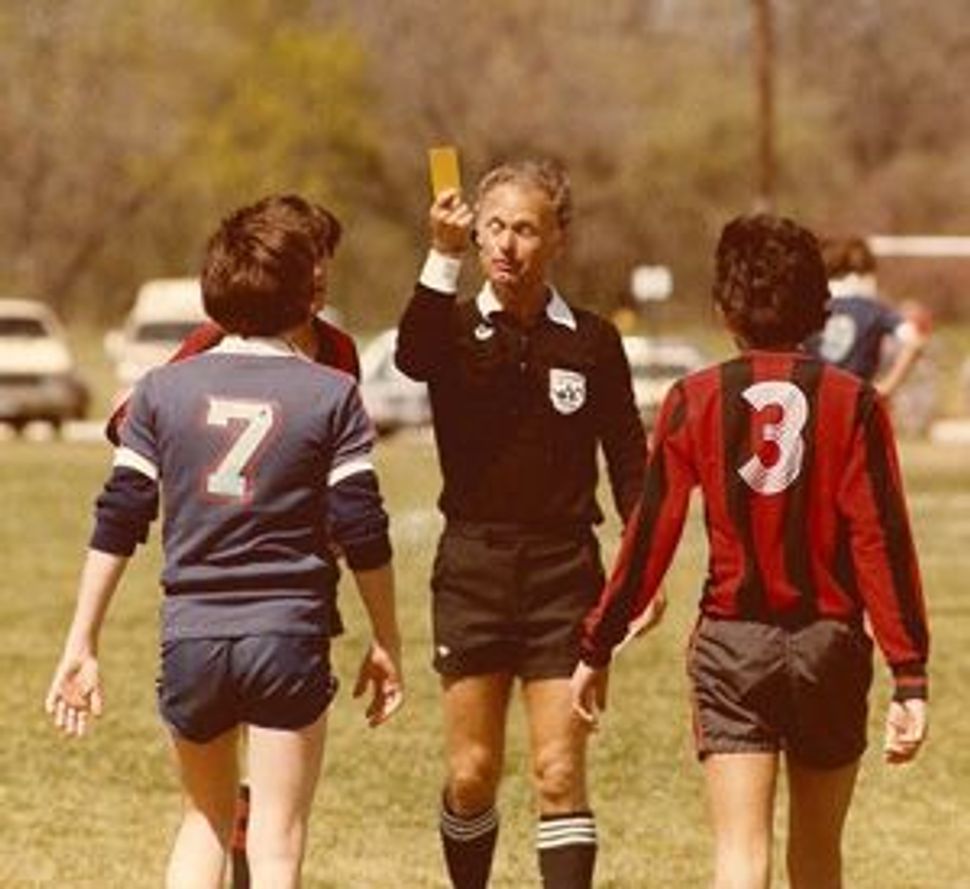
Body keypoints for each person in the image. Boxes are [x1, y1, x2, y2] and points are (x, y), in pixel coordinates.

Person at [46, 198, 404, 888]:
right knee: (275, 841)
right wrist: (386, 636)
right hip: (287, 631)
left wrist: (81, 640)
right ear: (309, 293)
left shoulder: (161, 388)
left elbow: (120, 515)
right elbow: (362, 525)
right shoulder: (331, 392)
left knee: (203, 823)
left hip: (192, 634)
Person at [572, 214, 930, 889]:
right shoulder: (854, 403)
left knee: (739, 858)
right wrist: (909, 671)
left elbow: (651, 533)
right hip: (830, 641)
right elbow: (881, 539)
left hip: (734, 642)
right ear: (820, 310)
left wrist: (597, 642)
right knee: (820, 856)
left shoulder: (694, 397)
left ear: (722, 306)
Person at [396, 158, 651, 889]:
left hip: (564, 573)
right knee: (472, 772)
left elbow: (629, 458)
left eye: (526, 229)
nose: (508, 244)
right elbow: (412, 356)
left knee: (558, 769)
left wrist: (642, 558)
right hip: (473, 566)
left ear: (558, 239)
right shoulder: (447, 326)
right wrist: (440, 256)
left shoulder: (593, 341)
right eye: (495, 227)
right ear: (475, 234)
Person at [105, 193, 359, 446]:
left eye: (323, 254)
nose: (317, 271)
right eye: (304, 258)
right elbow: (125, 425)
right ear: (265, 262)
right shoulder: (217, 337)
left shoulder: (340, 350)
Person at [803, 234, 927, 397]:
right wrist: (887, 386)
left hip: (815, 399)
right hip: (858, 401)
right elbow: (915, 340)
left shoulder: (810, 307)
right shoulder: (874, 309)